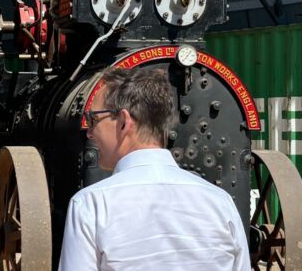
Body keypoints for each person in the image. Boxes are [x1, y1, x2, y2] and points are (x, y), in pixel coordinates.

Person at [58, 67, 249, 270]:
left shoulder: (91, 205)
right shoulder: (221, 203)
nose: (89, 132)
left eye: (94, 119)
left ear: (124, 122)